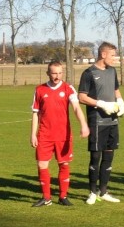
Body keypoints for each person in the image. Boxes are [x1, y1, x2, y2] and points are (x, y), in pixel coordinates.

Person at [31, 61, 90, 207]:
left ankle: (63, 196)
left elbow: (76, 108)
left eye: (59, 73)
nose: (57, 76)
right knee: (42, 165)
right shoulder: (39, 90)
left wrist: (83, 125)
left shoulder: (68, 88)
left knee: (64, 164)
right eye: (54, 73)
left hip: (63, 135)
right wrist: (33, 134)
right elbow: (35, 114)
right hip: (44, 135)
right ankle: (46, 197)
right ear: (48, 73)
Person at [78, 42, 124, 205]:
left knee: (109, 156)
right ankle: (92, 192)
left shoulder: (112, 71)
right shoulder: (89, 73)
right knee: (95, 157)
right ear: (103, 54)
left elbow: (115, 89)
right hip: (97, 122)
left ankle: (103, 191)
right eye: (112, 55)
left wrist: (120, 101)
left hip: (112, 122)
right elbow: (82, 97)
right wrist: (102, 104)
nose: (114, 58)